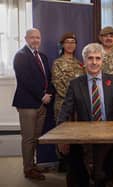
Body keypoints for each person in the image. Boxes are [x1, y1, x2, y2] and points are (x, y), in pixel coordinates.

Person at [57, 43, 113, 187]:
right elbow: (65, 110)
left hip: (110, 130)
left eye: (98, 58)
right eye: (90, 58)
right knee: (72, 152)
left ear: (103, 61)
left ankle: (103, 176)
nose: (94, 62)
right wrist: (61, 136)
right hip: (84, 132)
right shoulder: (75, 84)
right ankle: (85, 179)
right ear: (84, 61)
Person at [12, 28, 54, 180]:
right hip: (27, 104)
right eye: (32, 37)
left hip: (42, 104)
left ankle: (33, 164)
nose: (35, 40)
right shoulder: (20, 56)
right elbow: (25, 80)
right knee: (28, 138)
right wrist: (42, 96)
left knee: (36, 137)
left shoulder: (42, 56)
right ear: (26, 39)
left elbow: (48, 77)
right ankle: (28, 169)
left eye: (38, 37)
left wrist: (48, 93)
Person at [52, 32, 84, 121]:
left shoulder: (79, 63)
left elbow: (83, 83)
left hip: (78, 105)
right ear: (62, 45)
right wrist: (73, 97)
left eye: (73, 42)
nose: (70, 45)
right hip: (63, 104)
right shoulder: (57, 63)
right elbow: (57, 84)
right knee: (62, 132)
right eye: (67, 42)